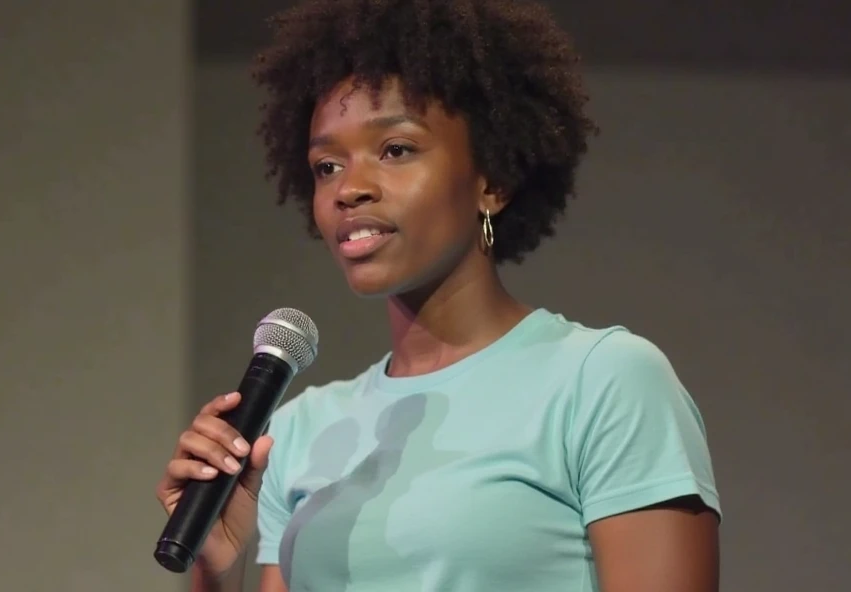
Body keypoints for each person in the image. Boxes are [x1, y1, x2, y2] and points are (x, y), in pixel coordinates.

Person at [156, 0, 722, 590]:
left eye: (396, 150)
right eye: (327, 166)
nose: (350, 189)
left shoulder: (602, 382)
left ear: (492, 178)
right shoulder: (298, 430)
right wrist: (214, 572)